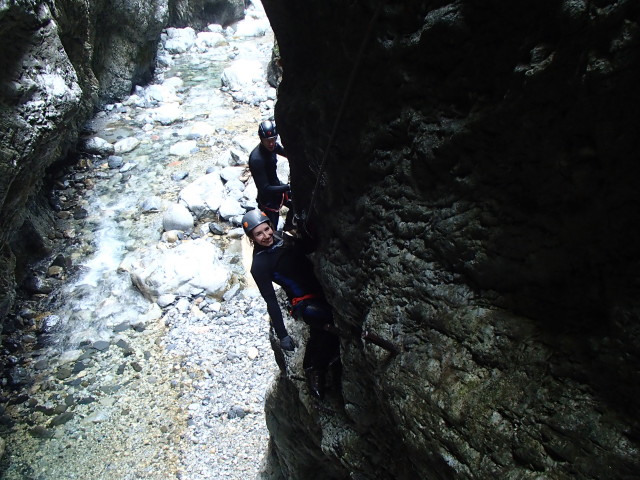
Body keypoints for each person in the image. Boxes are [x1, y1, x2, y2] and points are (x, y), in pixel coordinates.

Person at [242, 209, 340, 399]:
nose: (266, 236)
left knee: (320, 330)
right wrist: (282, 335)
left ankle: (311, 367)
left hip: (321, 286)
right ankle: (316, 370)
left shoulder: (282, 237)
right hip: (303, 301)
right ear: (251, 238)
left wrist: (304, 230)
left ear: (270, 226)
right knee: (323, 320)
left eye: (266, 229)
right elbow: (271, 301)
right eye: (258, 234)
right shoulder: (259, 265)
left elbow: (308, 247)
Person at [248, 120, 291, 229]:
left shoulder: (273, 146)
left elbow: (288, 154)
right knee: (271, 229)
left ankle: (290, 227)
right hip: (268, 200)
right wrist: (287, 187)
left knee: (298, 204)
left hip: (277, 187)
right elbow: (265, 188)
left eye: (273, 139)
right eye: (268, 141)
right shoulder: (256, 159)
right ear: (261, 139)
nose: (271, 143)